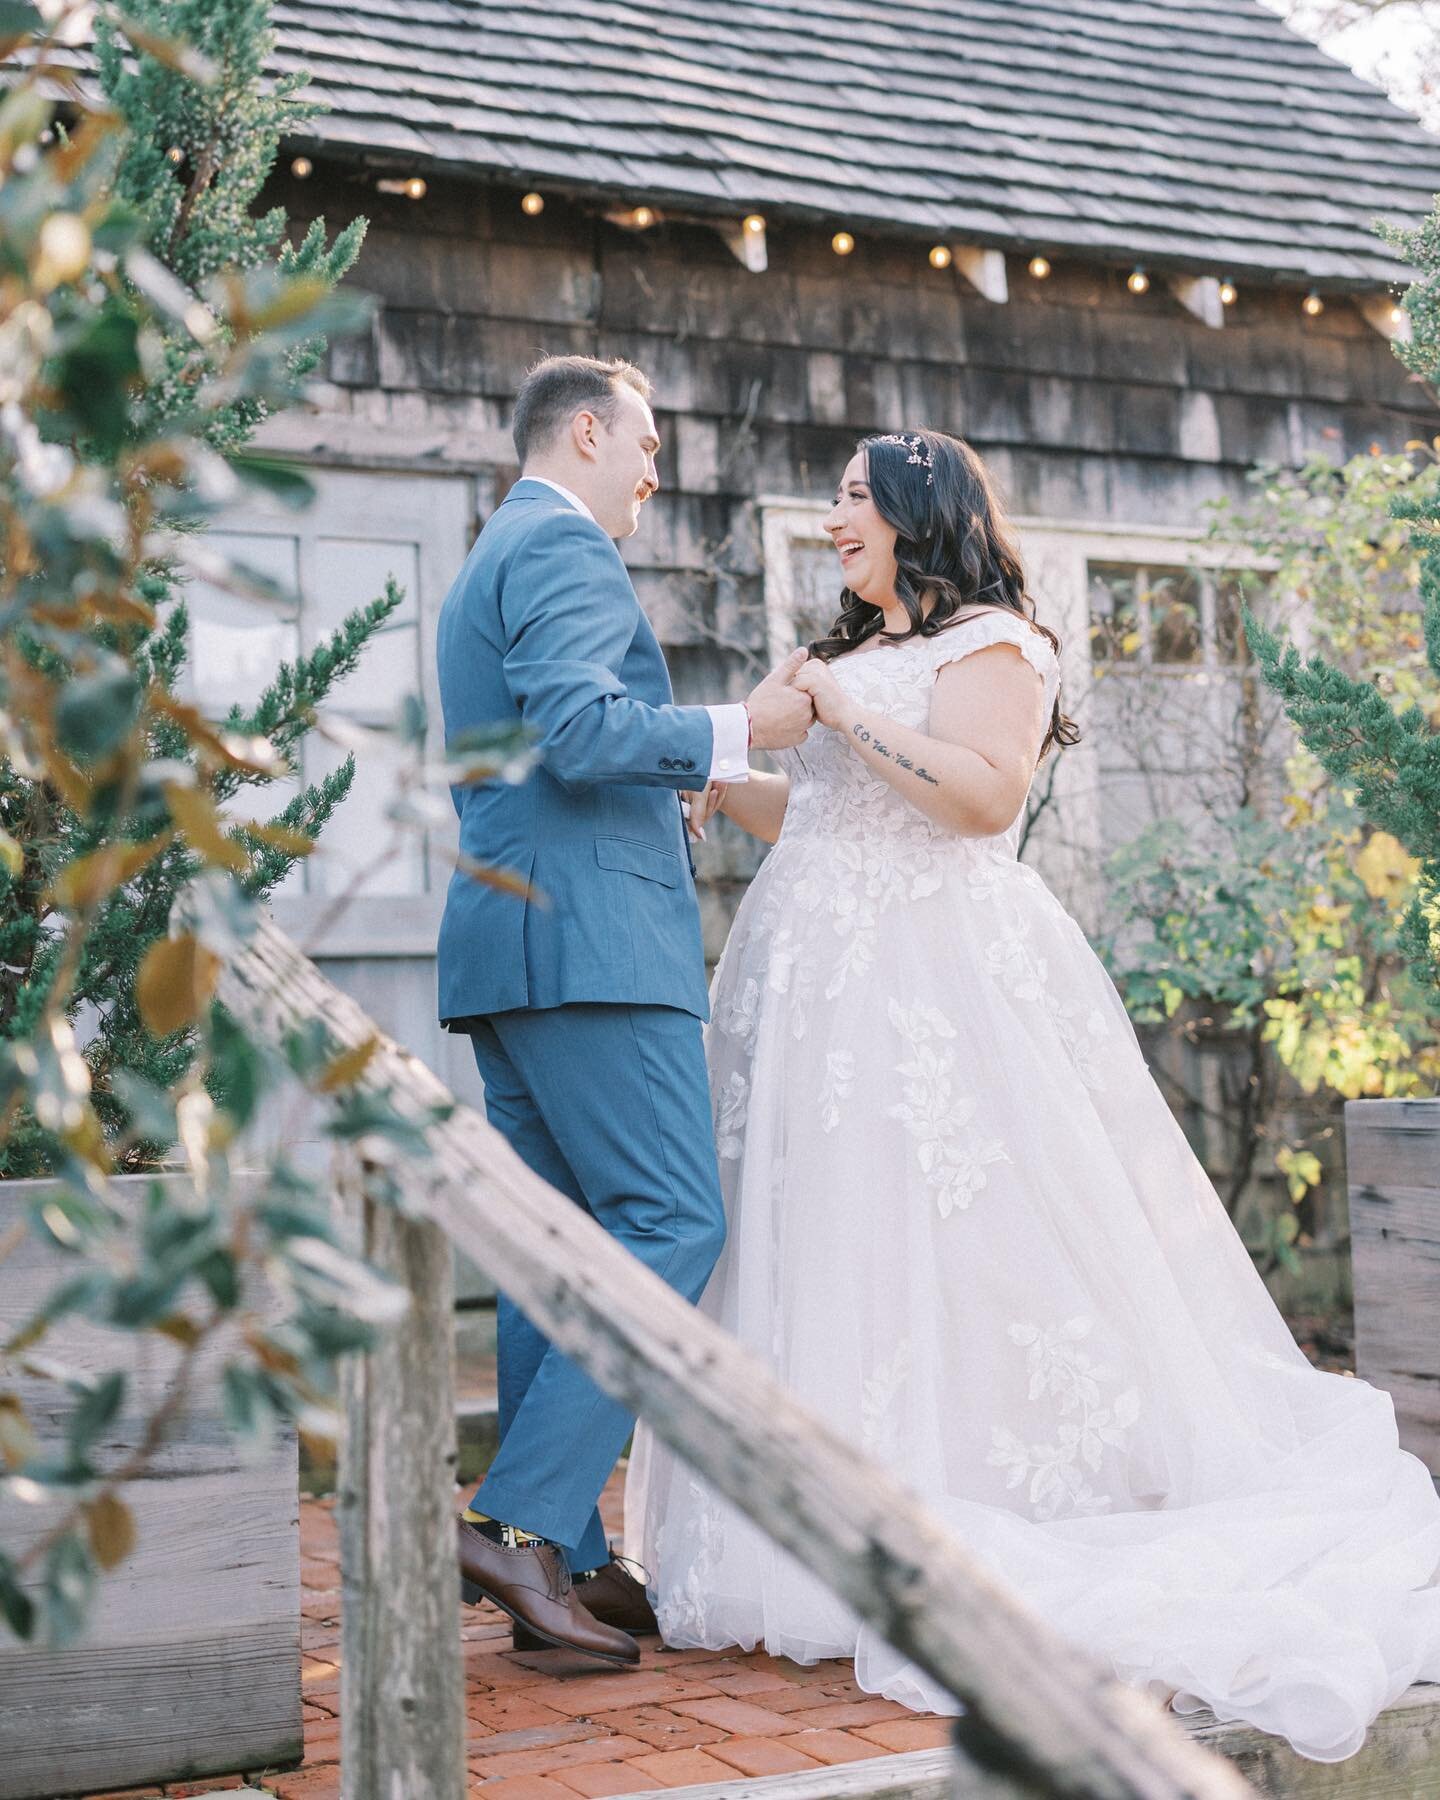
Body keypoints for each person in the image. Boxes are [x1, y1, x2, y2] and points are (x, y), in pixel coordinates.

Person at [625, 427, 1440, 1760]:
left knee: (957, 1244)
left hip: (930, 990)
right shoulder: (846, 660)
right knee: (825, 1240)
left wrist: (845, 713)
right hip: (813, 993)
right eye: (833, 498)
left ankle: (961, 1505)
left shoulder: (994, 644)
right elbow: (835, 813)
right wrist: (740, 782)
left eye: (853, 499)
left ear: (914, 517)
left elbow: (978, 797)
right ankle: (804, 1529)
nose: (836, 518)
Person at [435, 353, 814, 1665]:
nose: (658, 469)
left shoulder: (497, 552)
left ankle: (568, 1563)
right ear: (586, 431)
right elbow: (587, 732)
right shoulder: (562, 547)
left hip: (515, 951)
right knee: (672, 1220)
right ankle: (522, 1522)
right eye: (648, 442)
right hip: (588, 949)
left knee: (564, 1247)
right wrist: (736, 726)